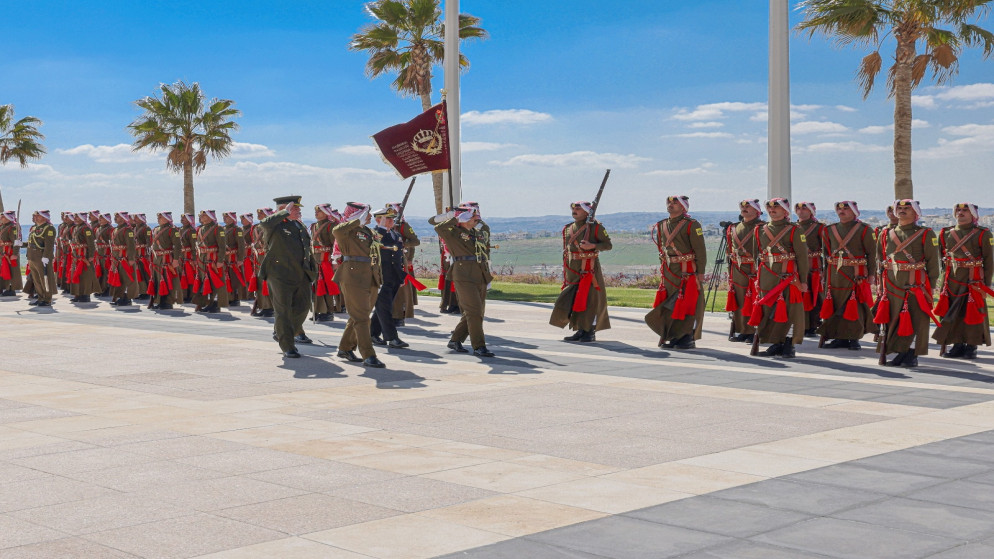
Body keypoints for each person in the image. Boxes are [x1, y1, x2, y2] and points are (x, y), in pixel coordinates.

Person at [873, 199, 939, 367]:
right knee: (893, 319)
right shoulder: (885, 233)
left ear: (916, 213)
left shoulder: (926, 233)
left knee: (915, 319)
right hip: (892, 285)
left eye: (906, 209)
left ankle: (910, 354)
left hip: (915, 285)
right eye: (899, 208)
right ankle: (897, 352)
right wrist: (880, 284)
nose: (902, 211)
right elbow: (880, 260)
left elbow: (932, 263)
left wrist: (929, 287)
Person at [748, 198, 809, 358]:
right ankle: (775, 343)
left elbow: (802, 257)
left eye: (777, 207)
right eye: (770, 207)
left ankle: (789, 344)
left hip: (787, 277)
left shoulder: (795, 230)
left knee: (790, 311)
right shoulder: (759, 230)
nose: (772, 210)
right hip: (766, 276)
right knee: (768, 310)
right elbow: (757, 255)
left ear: (785, 211)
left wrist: (803, 281)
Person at [932, 203, 993, 359]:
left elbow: (989, 260)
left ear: (973, 214)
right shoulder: (945, 233)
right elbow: (942, 258)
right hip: (952, 280)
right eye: (958, 210)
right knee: (952, 313)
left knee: (973, 312)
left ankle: (971, 346)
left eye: (965, 210)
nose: (960, 213)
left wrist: (986, 284)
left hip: (973, 279)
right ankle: (956, 344)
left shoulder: (983, 233)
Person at [645, 195, 706, 349]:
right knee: (670, 304)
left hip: (687, 270)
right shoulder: (661, 225)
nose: (670, 205)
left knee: (688, 302)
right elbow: (661, 249)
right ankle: (672, 334)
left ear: (684, 207)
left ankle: (686, 336)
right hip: (669, 271)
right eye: (669, 202)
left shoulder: (692, 225)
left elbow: (700, 250)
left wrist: (700, 272)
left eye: (675, 203)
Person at [260, 196, 317, 359]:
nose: (299, 211)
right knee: (283, 310)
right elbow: (264, 223)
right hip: (279, 274)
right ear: (283, 210)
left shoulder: (299, 225)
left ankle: (281, 331)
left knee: (304, 306)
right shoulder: (275, 224)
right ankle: (288, 345)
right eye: (295, 208)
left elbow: (306, 250)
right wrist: (284, 213)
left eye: (298, 208)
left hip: (301, 273)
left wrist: (313, 270)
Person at [434, 205, 495, 357]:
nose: (476, 219)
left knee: (477, 312)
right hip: (463, 275)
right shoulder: (454, 233)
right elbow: (438, 228)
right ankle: (479, 346)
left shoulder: (477, 232)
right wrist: (456, 217)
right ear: (464, 220)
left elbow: (485, 236)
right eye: (473, 217)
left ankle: (455, 340)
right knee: (473, 311)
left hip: (480, 274)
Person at [817, 201, 877, 350]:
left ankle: (853, 338)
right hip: (834, 274)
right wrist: (824, 272)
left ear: (854, 212)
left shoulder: (864, 230)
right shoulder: (829, 230)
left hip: (855, 274)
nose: (841, 211)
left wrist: (871, 275)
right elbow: (826, 253)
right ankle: (838, 337)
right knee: (834, 304)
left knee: (854, 305)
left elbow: (871, 254)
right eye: (839, 208)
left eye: (845, 209)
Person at [550, 200, 612, 342]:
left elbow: (608, 245)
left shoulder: (596, 227)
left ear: (586, 211)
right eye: (573, 207)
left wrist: (592, 245)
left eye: (578, 208)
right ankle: (579, 329)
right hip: (573, 270)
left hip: (588, 269)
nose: (574, 210)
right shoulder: (568, 228)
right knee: (573, 300)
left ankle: (589, 331)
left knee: (590, 301)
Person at [333, 202, 385, 367]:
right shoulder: (346, 231)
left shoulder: (368, 231)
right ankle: (368, 355)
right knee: (362, 318)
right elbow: (337, 230)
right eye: (366, 214)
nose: (369, 216)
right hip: (353, 277)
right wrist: (357, 221)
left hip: (370, 277)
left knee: (360, 315)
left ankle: (345, 347)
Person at [725, 199, 765, 342]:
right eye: (742, 207)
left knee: (756, 299)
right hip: (738, 268)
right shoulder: (733, 228)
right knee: (740, 299)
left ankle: (756, 330)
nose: (744, 209)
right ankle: (742, 330)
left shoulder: (763, 227)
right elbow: (729, 250)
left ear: (757, 211)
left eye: (748, 207)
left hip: (756, 268)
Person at [370, 206, 410, 348]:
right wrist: (380, 229)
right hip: (380, 278)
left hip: (393, 277)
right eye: (387, 218)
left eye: (392, 218)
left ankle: (372, 334)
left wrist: (400, 277)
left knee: (382, 308)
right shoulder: (374, 234)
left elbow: (398, 257)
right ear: (378, 220)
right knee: (385, 308)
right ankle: (392, 338)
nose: (391, 221)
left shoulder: (395, 235)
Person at [794, 202, 825, 337]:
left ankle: (812, 325)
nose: (800, 211)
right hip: (795, 266)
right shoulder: (792, 227)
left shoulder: (819, 228)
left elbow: (827, 249)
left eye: (804, 208)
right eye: (798, 209)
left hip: (813, 266)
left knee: (814, 296)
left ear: (811, 211)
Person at [390, 202, 422, 325]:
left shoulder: (403, 226)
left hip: (400, 258)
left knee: (401, 288)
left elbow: (415, 241)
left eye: (392, 211)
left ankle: (399, 314)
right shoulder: (386, 225)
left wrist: (403, 245)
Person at [311, 204, 341, 322]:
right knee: (317, 286)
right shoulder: (313, 226)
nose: (316, 213)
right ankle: (319, 310)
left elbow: (336, 245)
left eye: (319, 211)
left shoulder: (331, 226)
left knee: (328, 287)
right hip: (316, 260)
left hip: (326, 260)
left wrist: (335, 261)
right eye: (316, 211)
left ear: (326, 213)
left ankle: (328, 312)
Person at [194, 210, 228, 313]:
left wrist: (220, 260)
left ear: (209, 217)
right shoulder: (200, 229)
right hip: (203, 259)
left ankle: (216, 304)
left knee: (215, 282)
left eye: (203, 215)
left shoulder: (218, 228)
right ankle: (207, 303)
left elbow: (222, 246)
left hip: (213, 259)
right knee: (205, 281)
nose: (201, 217)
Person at [147, 212, 182, 310]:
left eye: (160, 217)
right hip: (156, 258)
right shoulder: (155, 229)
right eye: (158, 217)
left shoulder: (172, 230)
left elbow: (178, 245)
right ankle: (159, 300)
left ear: (166, 219)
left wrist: (175, 259)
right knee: (157, 280)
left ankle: (167, 302)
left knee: (167, 280)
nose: (158, 219)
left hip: (166, 258)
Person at [25, 210, 57, 307]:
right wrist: (21, 244)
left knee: (45, 279)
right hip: (32, 257)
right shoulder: (35, 228)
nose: (35, 218)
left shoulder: (49, 228)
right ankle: (40, 297)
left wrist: (46, 257)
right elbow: (32, 243)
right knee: (36, 279)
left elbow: (49, 245)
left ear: (44, 217)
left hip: (41, 256)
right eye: (35, 216)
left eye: (37, 216)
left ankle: (47, 299)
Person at [107, 212, 138, 307]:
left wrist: (131, 258)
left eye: (117, 216)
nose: (115, 218)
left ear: (123, 218)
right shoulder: (116, 229)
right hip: (117, 258)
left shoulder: (127, 231)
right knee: (119, 278)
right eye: (115, 216)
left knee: (127, 278)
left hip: (125, 258)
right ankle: (121, 296)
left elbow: (131, 246)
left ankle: (128, 298)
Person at [69, 212, 100, 303]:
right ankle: (77, 294)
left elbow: (91, 243)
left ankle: (85, 295)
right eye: (74, 217)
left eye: (77, 217)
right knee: (77, 275)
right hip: (77, 255)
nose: (75, 219)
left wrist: (91, 256)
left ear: (82, 218)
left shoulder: (86, 229)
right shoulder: (75, 228)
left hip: (84, 256)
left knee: (85, 276)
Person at [250, 207, 275, 317]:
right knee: (260, 283)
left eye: (261, 213)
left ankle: (269, 307)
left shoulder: (271, 227)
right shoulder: (256, 228)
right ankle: (263, 306)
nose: (258, 215)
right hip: (258, 258)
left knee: (268, 283)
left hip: (268, 258)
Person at [222, 211, 246, 306]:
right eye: (224, 217)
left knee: (234, 278)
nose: (224, 219)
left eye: (226, 217)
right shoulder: (223, 229)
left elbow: (241, 245)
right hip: (225, 257)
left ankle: (235, 298)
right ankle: (228, 297)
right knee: (226, 277)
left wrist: (240, 259)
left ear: (232, 218)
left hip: (233, 257)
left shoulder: (237, 230)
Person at [0, 211, 24, 296]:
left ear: (8, 218)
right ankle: (3, 287)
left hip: (10, 252)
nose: (1, 218)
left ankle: (12, 288)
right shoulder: (4, 226)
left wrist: (15, 253)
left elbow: (16, 242)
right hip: (3, 251)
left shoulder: (13, 227)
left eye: (3, 217)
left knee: (12, 271)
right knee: (4, 269)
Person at [132, 213, 152, 301]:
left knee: (146, 274)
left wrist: (148, 254)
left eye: (136, 218)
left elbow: (149, 242)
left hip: (144, 254)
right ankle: (142, 291)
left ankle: (147, 292)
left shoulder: (146, 228)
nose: (134, 219)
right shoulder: (135, 228)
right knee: (139, 274)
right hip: (137, 254)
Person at [178, 213, 197, 303]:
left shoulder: (192, 231)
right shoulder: (180, 230)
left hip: (189, 256)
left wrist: (194, 258)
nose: (182, 220)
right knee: (183, 276)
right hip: (182, 256)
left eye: (184, 219)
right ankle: (184, 295)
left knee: (190, 276)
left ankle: (192, 295)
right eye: (182, 218)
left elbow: (194, 246)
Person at [239, 213, 257, 301]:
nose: (242, 221)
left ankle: (250, 294)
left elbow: (255, 241)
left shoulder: (253, 229)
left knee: (249, 275)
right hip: (242, 254)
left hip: (249, 254)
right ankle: (243, 294)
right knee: (242, 275)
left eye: (244, 219)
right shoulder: (240, 230)